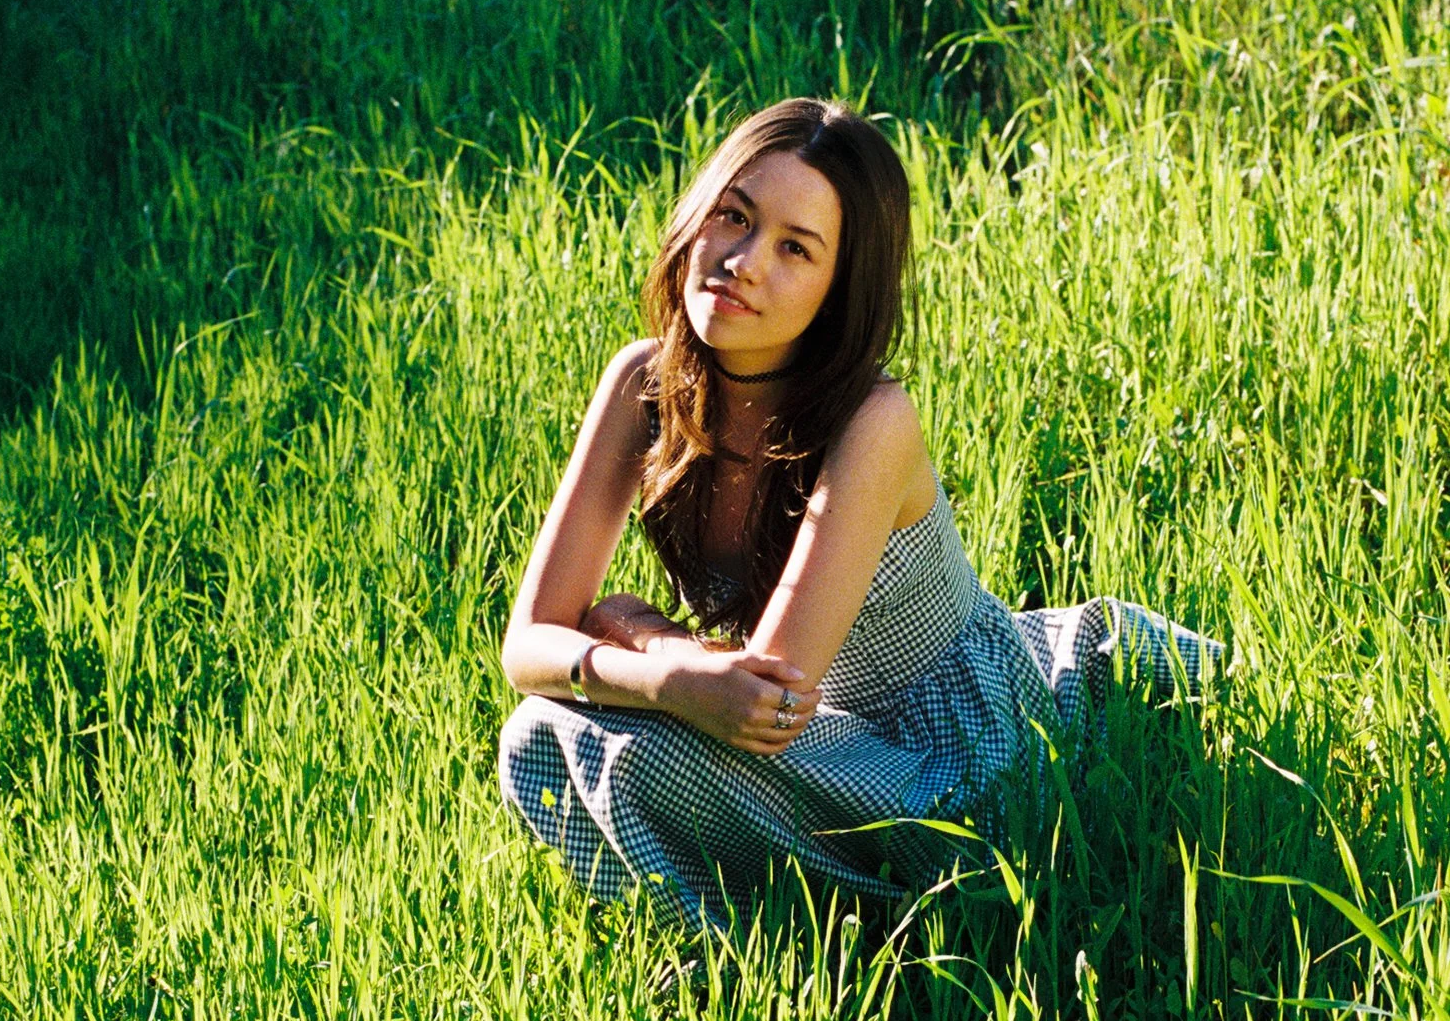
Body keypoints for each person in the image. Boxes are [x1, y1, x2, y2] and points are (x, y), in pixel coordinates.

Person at [499, 98, 1215, 926]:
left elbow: (767, 704)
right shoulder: (642, 386)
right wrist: (665, 669)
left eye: (794, 249)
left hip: (959, 760)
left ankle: (777, 952)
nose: (742, 261)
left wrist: (643, 634)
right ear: (697, 213)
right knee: (534, 738)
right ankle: (713, 953)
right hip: (820, 746)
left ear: (839, 292)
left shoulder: (871, 421)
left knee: (587, 740)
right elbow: (529, 644)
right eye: (734, 216)